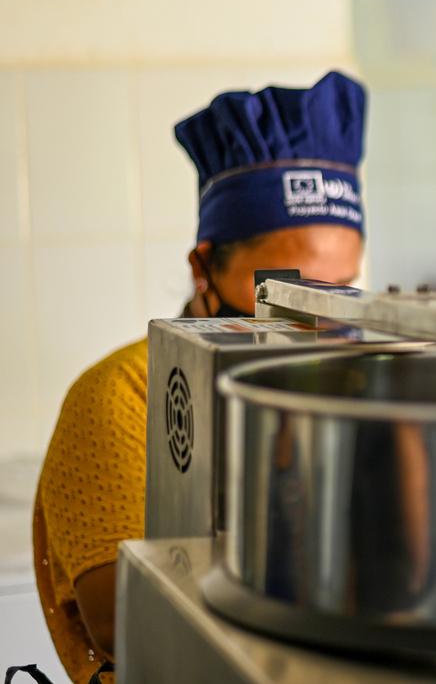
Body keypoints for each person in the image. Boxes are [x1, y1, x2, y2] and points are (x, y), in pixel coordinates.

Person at [30, 72, 367, 684]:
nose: (318, 318)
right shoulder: (124, 391)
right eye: (289, 292)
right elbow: (123, 617)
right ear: (203, 268)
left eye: (342, 289)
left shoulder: (357, 379)